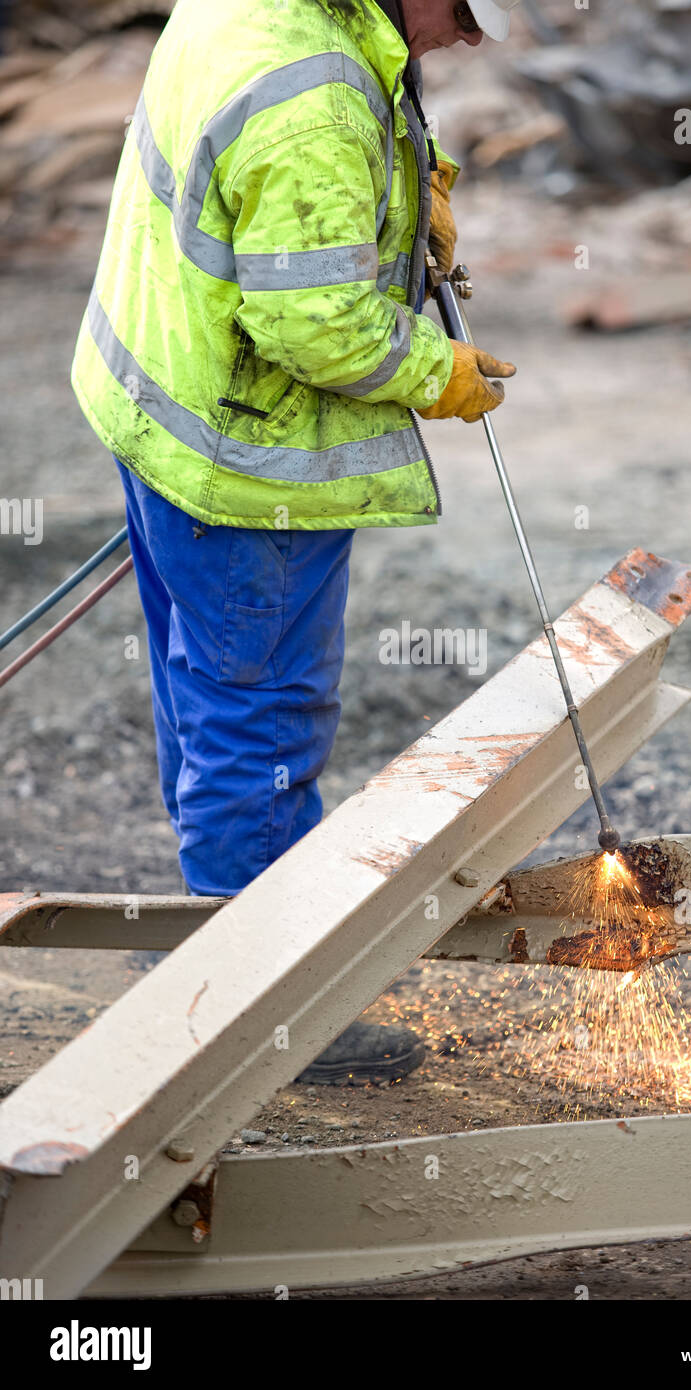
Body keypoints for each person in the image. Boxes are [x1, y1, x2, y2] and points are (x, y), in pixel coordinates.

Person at [71, 0, 521, 1083]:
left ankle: (198, 941)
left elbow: (279, 170)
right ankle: (249, 1009)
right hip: (244, 465)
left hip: (166, 413)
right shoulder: (312, 92)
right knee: (258, 715)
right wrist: (438, 373)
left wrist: (409, 189)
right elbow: (319, 326)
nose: (467, 38)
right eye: (463, 13)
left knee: (209, 688)